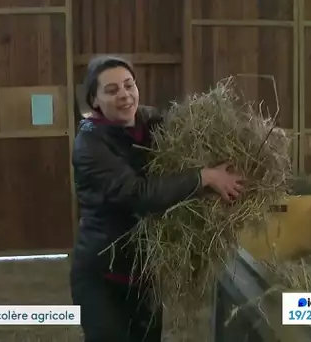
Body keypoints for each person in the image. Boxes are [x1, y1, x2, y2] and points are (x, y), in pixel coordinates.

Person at [69, 55, 245, 342]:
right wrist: (205, 177)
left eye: (129, 85)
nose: (125, 95)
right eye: (112, 90)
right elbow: (138, 194)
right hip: (103, 278)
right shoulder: (90, 144)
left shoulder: (150, 121)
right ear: (95, 101)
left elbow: (192, 138)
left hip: (146, 273)